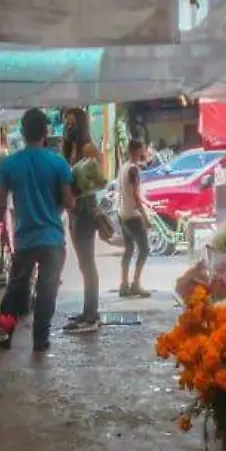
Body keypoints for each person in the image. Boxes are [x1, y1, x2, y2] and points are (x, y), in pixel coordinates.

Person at [0, 108, 75, 353]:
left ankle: (4, 335)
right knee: (47, 290)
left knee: (16, 288)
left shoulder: (9, 164)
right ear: (46, 132)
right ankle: (40, 340)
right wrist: (55, 209)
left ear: (22, 131)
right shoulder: (58, 162)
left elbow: (0, 205)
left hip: (25, 239)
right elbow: (69, 202)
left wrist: (6, 238)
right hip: (52, 238)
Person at [65, 142, 111, 334]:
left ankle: (91, 313)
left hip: (83, 214)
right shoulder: (82, 164)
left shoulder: (86, 164)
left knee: (87, 264)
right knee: (85, 265)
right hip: (80, 214)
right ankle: (88, 310)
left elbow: (98, 183)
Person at [117, 139, 153, 298]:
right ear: (135, 151)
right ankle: (135, 284)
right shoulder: (133, 170)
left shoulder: (123, 167)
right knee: (144, 250)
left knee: (129, 250)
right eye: (142, 149)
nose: (144, 153)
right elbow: (135, 196)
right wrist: (145, 218)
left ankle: (124, 284)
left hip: (123, 214)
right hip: (133, 216)